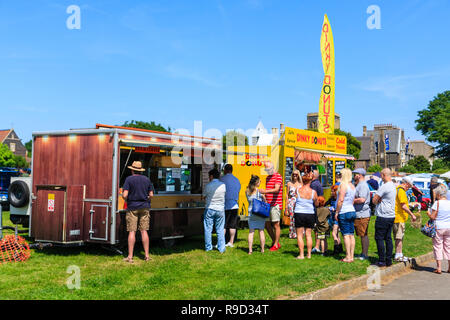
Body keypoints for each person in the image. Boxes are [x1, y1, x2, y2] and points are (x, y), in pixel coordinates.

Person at [122, 161, 154, 263]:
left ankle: (130, 257)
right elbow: (151, 195)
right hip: (144, 207)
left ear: (132, 170)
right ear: (140, 170)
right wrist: (145, 198)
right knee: (144, 231)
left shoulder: (129, 179)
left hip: (132, 208)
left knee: (132, 231)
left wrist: (124, 197)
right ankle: (147, 256)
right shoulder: (146, 179)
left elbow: (125, 195)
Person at [372, 168, 396, 267]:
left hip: (383, 215)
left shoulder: (384, 186)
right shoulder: (393, 185)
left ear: (383, 175)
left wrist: (378, 200)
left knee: (379, 238)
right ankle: (388, 259)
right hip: (391, 215)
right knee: (388, 238)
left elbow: (374, 200)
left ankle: (382, 260)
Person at [259, 161, 283, 251]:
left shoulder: (278, 176)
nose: (267, 171)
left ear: (273, 168)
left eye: (268, 169)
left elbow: (276, 189)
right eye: (266, 169)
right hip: (268, 204)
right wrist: (264, 197)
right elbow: (269, 190)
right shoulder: (268, 177)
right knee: (267, 224)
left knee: (276, 224)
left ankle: (276, 244)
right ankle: (275, 242)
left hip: (275, 204)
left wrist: (265, 191)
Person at [294, 171, 318, 259]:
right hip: (310, 213)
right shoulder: (313, 192)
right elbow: (316, 203)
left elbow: (295, 198)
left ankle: (301, 254)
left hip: (299, 212)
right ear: (310, 181)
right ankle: (309, 254)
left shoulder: (298, 190)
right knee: (308, 234)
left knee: (300, 235)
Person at [393, 176, 418, 262]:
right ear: (406, 184)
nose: (409, 188)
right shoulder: (401, 191)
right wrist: (412, 214)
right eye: (409, 187)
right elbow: (403, 205)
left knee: (400, 237)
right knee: (399, 237)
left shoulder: (398, 189)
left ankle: (400, 254)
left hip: (398, 217)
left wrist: (409, 205)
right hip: (398, 217)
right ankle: (398, 255)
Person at [335, 168, 356, 263]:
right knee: (351, 234)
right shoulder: (352, 186)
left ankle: (348, 256)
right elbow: (352, 200)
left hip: (344, 211)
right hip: (352, 210)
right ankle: (351, 255)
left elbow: (340, 200)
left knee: (346, 235)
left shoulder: (343, 185)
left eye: (340, 174)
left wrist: (337, 212)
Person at [203, 168, 226, 253]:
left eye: (209, 176)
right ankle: (221, 248)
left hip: (210, 208)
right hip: (220, 209)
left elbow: (203, 197)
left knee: (208, 229)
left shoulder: (208, 185)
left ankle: (208, 247)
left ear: (211, 176)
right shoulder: (223, 185)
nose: (209, 178)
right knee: (220, 229)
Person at [427, 184, 450, 274]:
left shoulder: (437, 203)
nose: (435, 195)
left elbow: (433, 217)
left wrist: (428, 214)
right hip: (449, 227)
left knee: (438, 247)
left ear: (439, 194)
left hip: (439, 227)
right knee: (448, 247)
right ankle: (449, 267)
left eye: (436, 193)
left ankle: (439, 268)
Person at [220, 164, 241, 248]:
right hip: (235, 205)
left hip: (225, 204)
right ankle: (231, 242)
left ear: (225, 170)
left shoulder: (222, 179)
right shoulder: (237, 180)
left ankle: (222, 242)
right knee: (232, 225)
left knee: (223, 225)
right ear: (232, 170)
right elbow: (238, 190)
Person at [353, 168, 371, 261]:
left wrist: (351, 201)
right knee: (362, 234)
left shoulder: (362, 185)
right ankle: (363, 253)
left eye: (355, 174)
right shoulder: (360, 185)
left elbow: (362, 199)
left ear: (359, 175)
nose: (354, 176)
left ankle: (364, 254)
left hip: (362, 214)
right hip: (360, 213)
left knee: (363, 234)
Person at [246, 175, 267, 254]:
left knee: (251, 232)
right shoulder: (260, 192)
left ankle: (250, 250)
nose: (260, 183)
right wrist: (264, 198)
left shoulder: (247, 191)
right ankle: (262, 249)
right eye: (259, 181)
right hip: (260, 213)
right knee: (261, 231)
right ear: (256, 183)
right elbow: (265, 202)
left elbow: (249, 201)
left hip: (251, 213)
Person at [326, 184, 343, 255]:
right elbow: (324, 204)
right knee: (336, 234)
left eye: (333, 191)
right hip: (333, 218)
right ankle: (340, 248)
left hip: (338, 217)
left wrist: (334, 209)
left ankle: (336, 249)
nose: (331, 193)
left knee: (334, 233)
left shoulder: (339, 199)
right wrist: (328, 208)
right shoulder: (331, 199)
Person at [286, 169, 302, 239]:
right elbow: (287, 195)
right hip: (291, 202)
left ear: (298, 175)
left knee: (298, 217)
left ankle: (299, 233)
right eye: (293, 174)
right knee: (292, 218)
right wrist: (286, 205)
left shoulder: (301, 184)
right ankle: (292, 233)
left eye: (296, 174)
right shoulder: (289, 183)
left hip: (299, 202)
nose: (295, 176)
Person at [311, 169, 324, 254]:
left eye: (310, 173)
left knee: (317, 228)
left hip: (316, 208)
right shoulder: (318, 183)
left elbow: (313, 197)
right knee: (319, 227)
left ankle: (317, 246)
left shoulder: (314, 184)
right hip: (320, 207)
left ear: (314, 175)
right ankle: (321, 246)